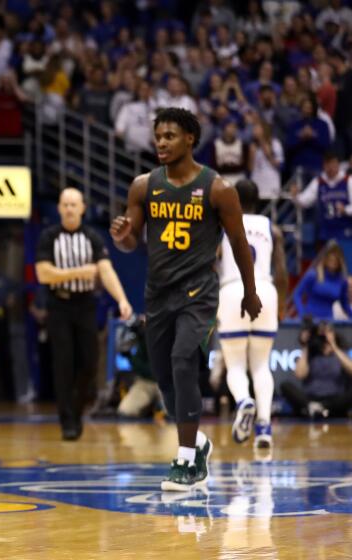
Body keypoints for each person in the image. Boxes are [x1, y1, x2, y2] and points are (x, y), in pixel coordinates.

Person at [110, 107, 262, 491]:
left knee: (183, 362)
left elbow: (239, 244)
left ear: (189, 139)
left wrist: (250, 290)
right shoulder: (144, 185)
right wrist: (122, 237)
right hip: (157, 293)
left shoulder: (218, 189)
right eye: (158, 136)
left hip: (198, 292)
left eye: (170, 136)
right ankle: (198, 442)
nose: (161, 142)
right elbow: (131, 241)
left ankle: (187, 461)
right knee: (164, 378)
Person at [36, 187, 133, 440]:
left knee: (90, 362)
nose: (69, 209)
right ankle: (66, 420)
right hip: (58, 304)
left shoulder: (92, 237)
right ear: (59, 208)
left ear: (82, 208)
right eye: (65, 204)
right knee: (63, 363)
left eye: (73, 204)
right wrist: (80, 272)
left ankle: (76, 410)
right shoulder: (49, 236)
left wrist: (122, 299)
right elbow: (44, 274)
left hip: (85, 304)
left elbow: (106, 271)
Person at [217, 179, 288, 449]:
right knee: (261, 364)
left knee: (235, 364)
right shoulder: (274, 228)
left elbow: (211, 264)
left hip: (233, 290)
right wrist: (281, 303)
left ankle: (243, 401)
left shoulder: (223, 225)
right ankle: (264, 427)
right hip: (265, 291)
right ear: (258, 201)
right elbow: (281, 272)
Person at [282, 320, 352, 419]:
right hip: (311, 398)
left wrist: (333, 346)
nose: (323, 337)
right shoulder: (310, 354)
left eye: (327, 332)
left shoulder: (341, 352)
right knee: (285, 386)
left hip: (334, 399)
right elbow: (299, 374)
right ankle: (316, 408)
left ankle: (319, 408)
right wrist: (306, 345)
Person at [292, 151, 352, 242]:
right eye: (328, 164)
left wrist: (346, 210)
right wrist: (295, 196)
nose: (330, 168)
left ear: (338, 164)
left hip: (345, 230)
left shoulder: (348, 180)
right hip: (325, 231)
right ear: (324, 165)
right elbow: (304, 202)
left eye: (333, 164)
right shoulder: (318, 181)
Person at [292, 241, 352, 320]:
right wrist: (302, 314)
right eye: (330, 259)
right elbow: (297, 294)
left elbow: (344, 304)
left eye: (336, 260)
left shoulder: (342, 281)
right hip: (310, 320)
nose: (333, 262)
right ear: (325, 259)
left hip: (328, 321)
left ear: (340, 261)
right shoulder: (313, 275)